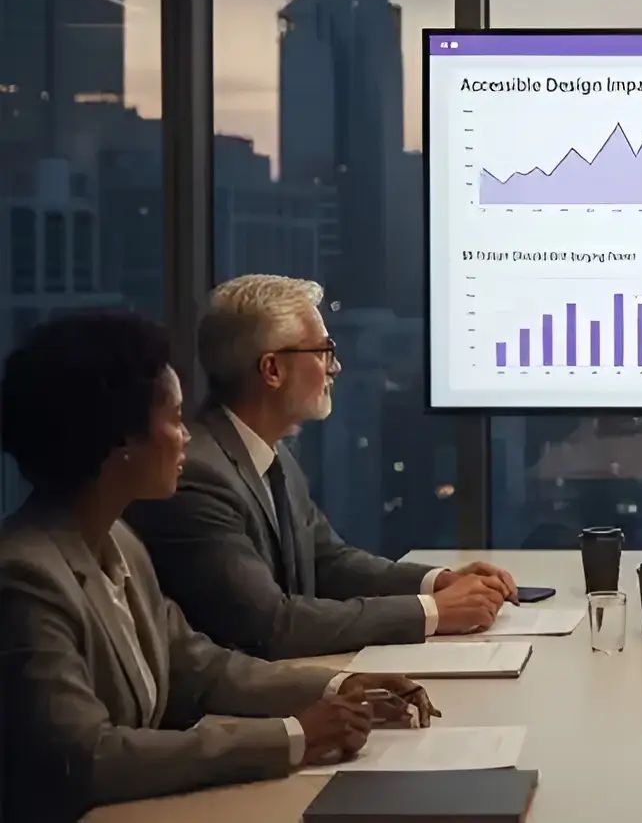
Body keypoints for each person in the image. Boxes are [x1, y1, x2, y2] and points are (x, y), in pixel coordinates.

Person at [0, 314, 437, 822]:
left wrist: (337, 688)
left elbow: (198, 668)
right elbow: (86, 757)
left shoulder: (119, 543)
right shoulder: (26, 576)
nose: (187, 435)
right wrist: (293, 736)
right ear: (121, 438)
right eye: (175, 416)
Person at [126, 275, 518, 660]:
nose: (336, 367)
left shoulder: (271, 456)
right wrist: (433, 612)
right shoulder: (198, 477)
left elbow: (329, 561)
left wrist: (439, 582)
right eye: (323, 351)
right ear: (272, 370)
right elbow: (271, 625)